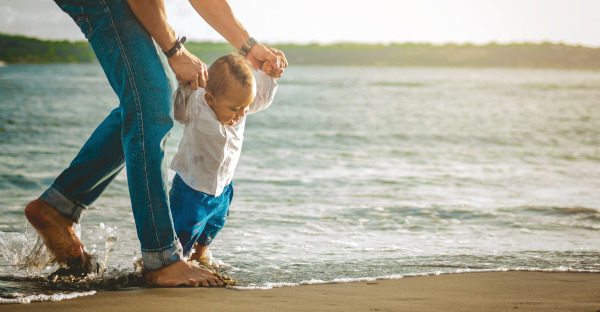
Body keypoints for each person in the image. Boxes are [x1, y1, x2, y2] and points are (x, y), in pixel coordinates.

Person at [24, 0, 287, 287]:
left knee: (148, 102)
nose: (240, 114)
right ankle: (161, 258)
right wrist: (175, 51)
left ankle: (60, 205)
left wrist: (248, 47)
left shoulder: (240, 109)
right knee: (152, 99)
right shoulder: (204, 104)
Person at [169, 53, 279, 265]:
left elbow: (262, 98)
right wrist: (184, 84)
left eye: (246, 107)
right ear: (210, 99)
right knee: (183, 232)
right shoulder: (196, 105)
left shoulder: (240, 103)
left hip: (223, 187)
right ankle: (177, 265)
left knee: (214, 224)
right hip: (192, 188)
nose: (242, 113)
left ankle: (200, 256)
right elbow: (176, 109)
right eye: (235, 109)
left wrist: (268, 74)